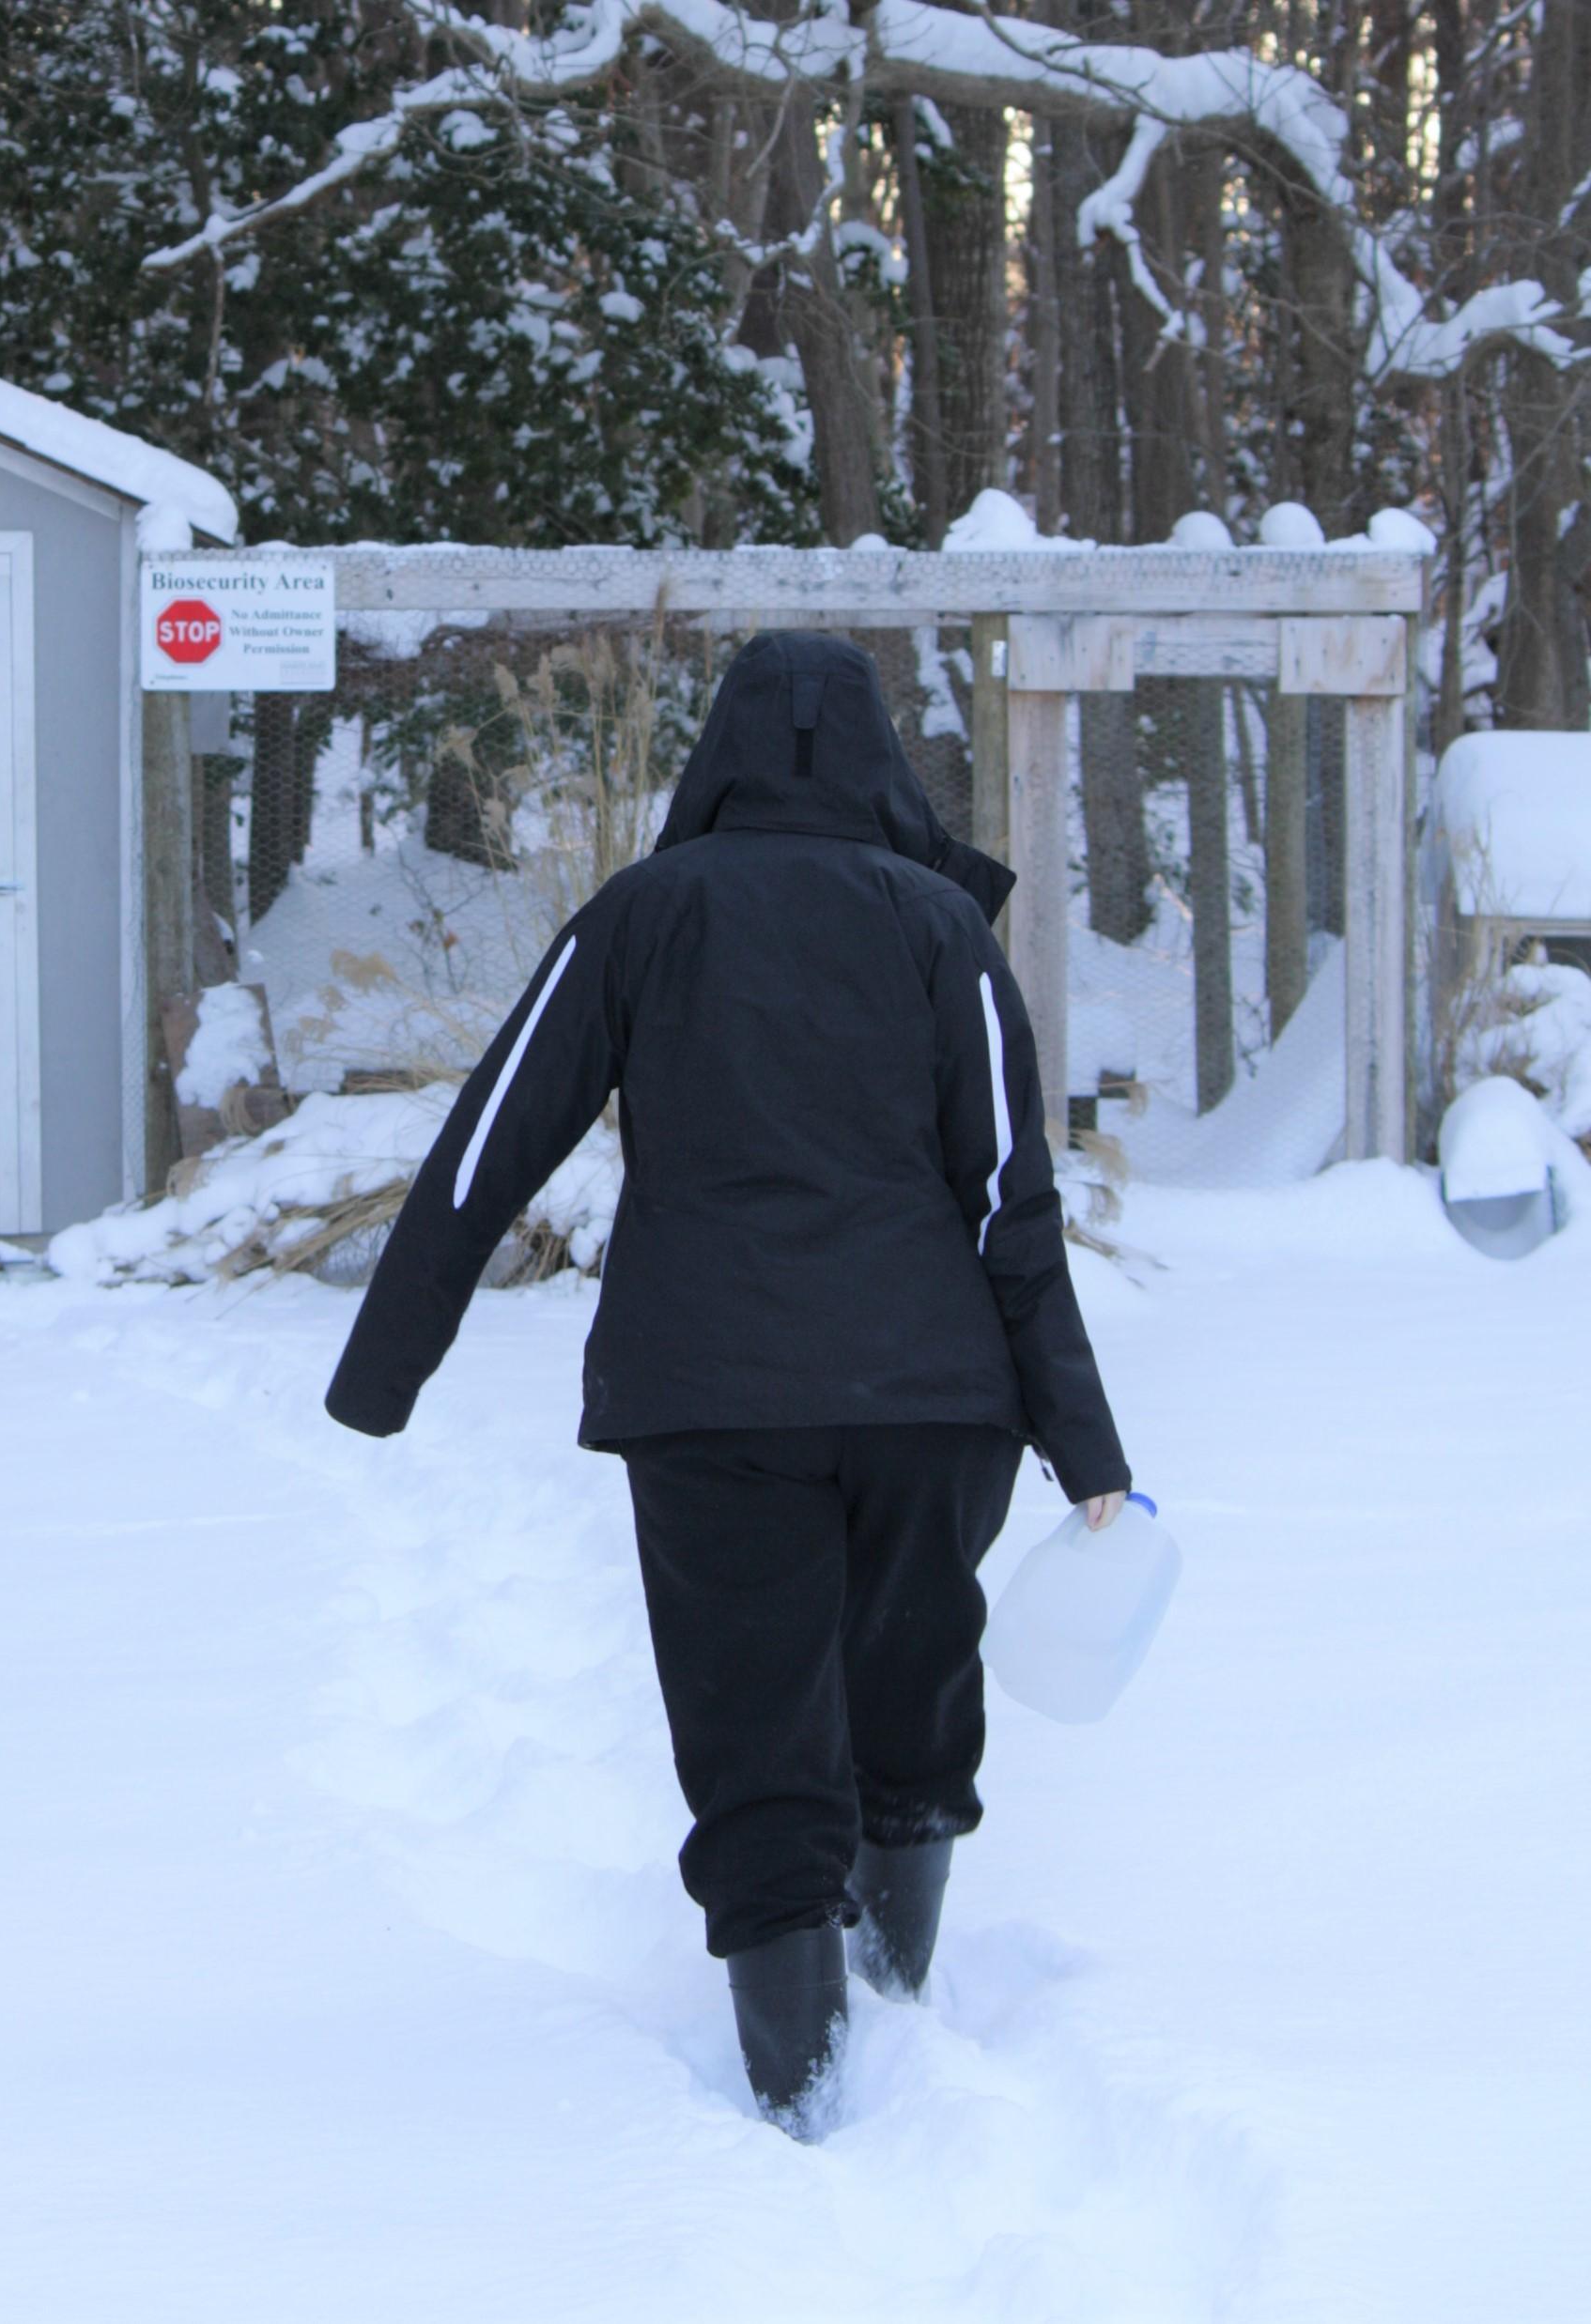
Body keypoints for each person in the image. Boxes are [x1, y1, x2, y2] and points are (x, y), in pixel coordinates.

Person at [323, 631, 1131, 2133]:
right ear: (886, 757)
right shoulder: (939, 928)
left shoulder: (646, 914)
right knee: (910, 1684)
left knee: (756, 1721)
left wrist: (387, 1368)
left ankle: (807, 2096)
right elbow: (1013, 1195)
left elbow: (492, 1138)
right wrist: (1082, 1442)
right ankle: (895, 1998)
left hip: (709, 1397)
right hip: (931, 1399)